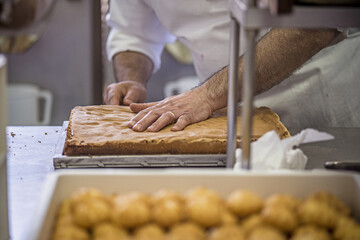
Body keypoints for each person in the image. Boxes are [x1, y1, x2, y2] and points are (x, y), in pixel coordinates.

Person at [104, 0, 360, 132]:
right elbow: (133, 31)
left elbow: (312, 26)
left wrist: (207, 95)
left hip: (325, 112)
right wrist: (133, 78)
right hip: (221, 120)